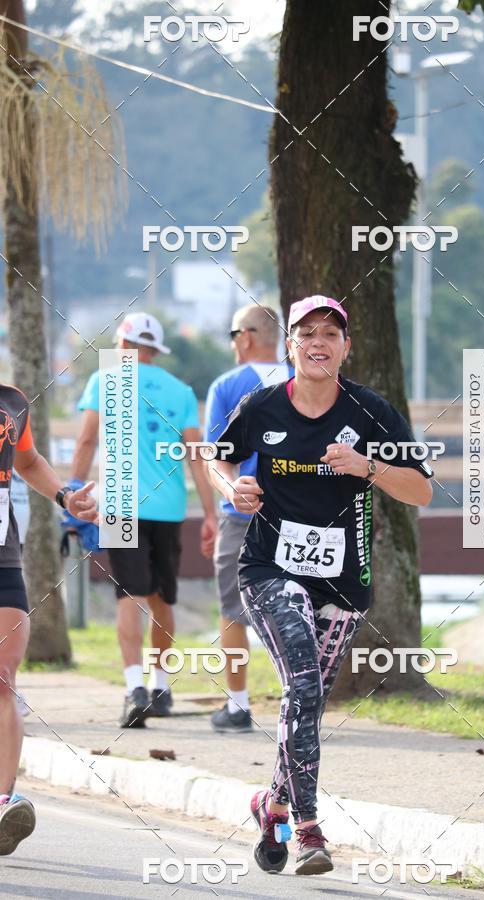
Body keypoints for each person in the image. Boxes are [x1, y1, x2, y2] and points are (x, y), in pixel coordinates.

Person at [209, 295, 433, 876]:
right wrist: (233, 489)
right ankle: (306, 828)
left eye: (330, 333)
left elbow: (422, 491)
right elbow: (220, 458)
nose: (318, 341)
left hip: (343, 581)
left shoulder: (371, 411)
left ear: (345, 348)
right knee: (303, 681)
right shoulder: (262, 406)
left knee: (306, 700)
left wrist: (368, 468)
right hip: (270, 569)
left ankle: (271, 803)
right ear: (290, 346)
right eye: (306, 332)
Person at [71, 313, 217, 728]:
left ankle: (135, 687)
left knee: (129, 597)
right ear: (155, 349)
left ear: (125, 344)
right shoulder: (181, 390)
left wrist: (73, 494)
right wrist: (209, 514)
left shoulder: (107, 379)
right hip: (169, 509)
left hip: (120, 504)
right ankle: (162, 687)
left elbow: (85, 440)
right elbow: (196, 456)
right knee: (162, 600)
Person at [0, 384, 97, 855]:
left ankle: (2, 804)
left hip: (2, 554)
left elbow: (28, 460)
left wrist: (65, 495)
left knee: (3, 679)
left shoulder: (12, 401)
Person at [205, 303, 292, 733]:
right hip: (299, 515)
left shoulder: (227, 384)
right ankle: (299, 701)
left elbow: (215, 458)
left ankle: (238, 705)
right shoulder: (303, 383)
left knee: (233, 609)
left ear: (247, 336)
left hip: (241, 512)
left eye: (233, 334)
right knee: (297, 606)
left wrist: (220, 501)